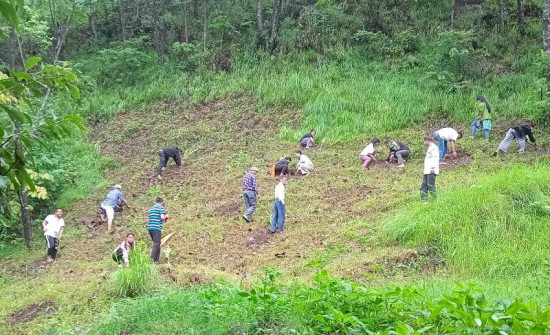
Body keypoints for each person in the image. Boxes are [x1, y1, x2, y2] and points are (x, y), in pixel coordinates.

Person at [146, 197, 169, 263]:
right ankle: (153, 260)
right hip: (156, 228)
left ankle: (156, 259)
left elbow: (149, 219)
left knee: (156, 244)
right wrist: (166, 216)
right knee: (157, 244)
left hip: (150, 228)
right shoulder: (160, 207)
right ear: (161, 202)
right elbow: (162, 218)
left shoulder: (151, 209)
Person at [420, 137, 439, 203]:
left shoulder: (433, 148)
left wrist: (433, 168)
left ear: (427, 141)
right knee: (424, 185)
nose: (424, 143)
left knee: (430, 185)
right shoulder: (430, 148)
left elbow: (435, 158)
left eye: (424, 141)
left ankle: (434, 200)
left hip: (431, 170)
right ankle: (424, 199)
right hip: (427, 170)